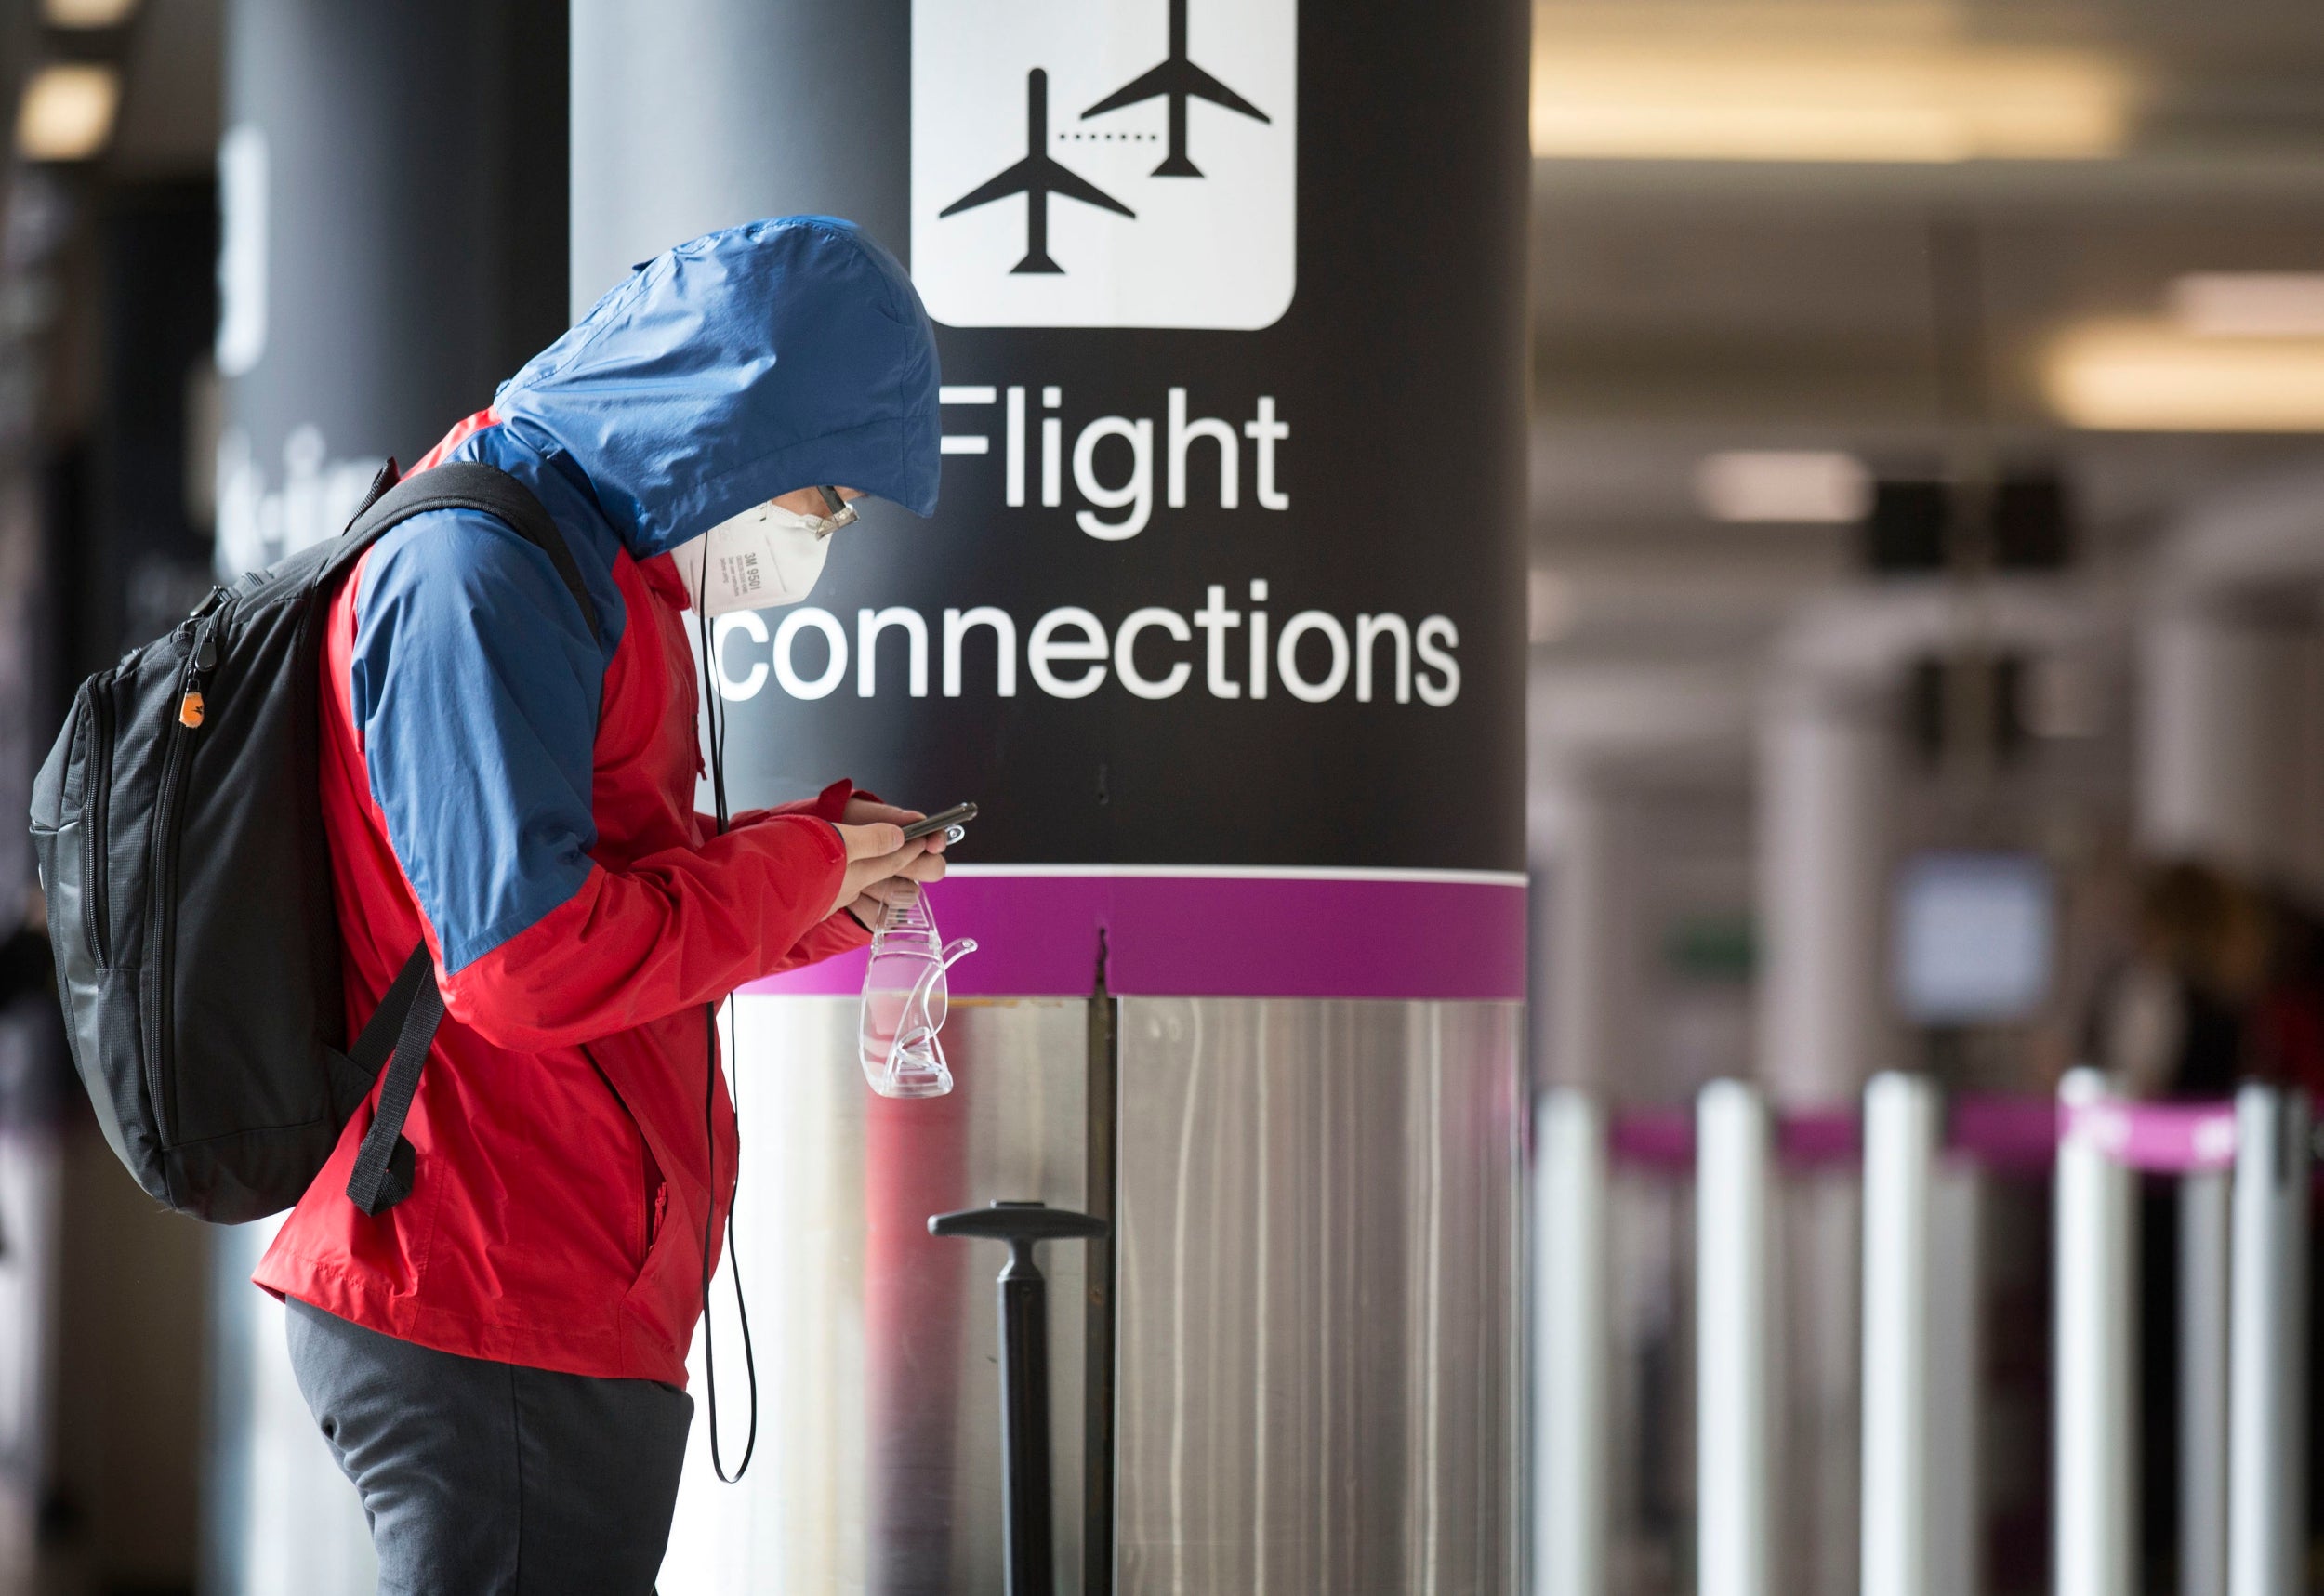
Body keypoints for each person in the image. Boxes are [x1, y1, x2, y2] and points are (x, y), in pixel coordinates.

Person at [253, 216, 946, 1592]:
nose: (826, 537)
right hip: (490, 1283)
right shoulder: (477, 574)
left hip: (544, 1283)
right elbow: (522, 962)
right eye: (829, 499)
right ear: (740, 428)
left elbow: (614, 894)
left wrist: (820, 883)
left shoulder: (578, 566)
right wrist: (796, 872)